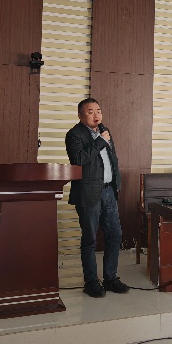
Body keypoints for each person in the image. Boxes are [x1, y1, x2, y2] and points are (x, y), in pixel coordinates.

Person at [65, 98, 130, 297]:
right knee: (90, 239)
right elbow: (78, 160)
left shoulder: (105, 131)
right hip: (88, 193)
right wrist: (100, 142)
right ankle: (91, 282)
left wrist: (117, 184)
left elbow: (113, 160)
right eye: (91, 111)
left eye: (99, 111)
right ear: (80, 115)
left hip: (109, 191)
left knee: (115, 235)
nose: (96, 115)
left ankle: (110, 278)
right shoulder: (74, 134)